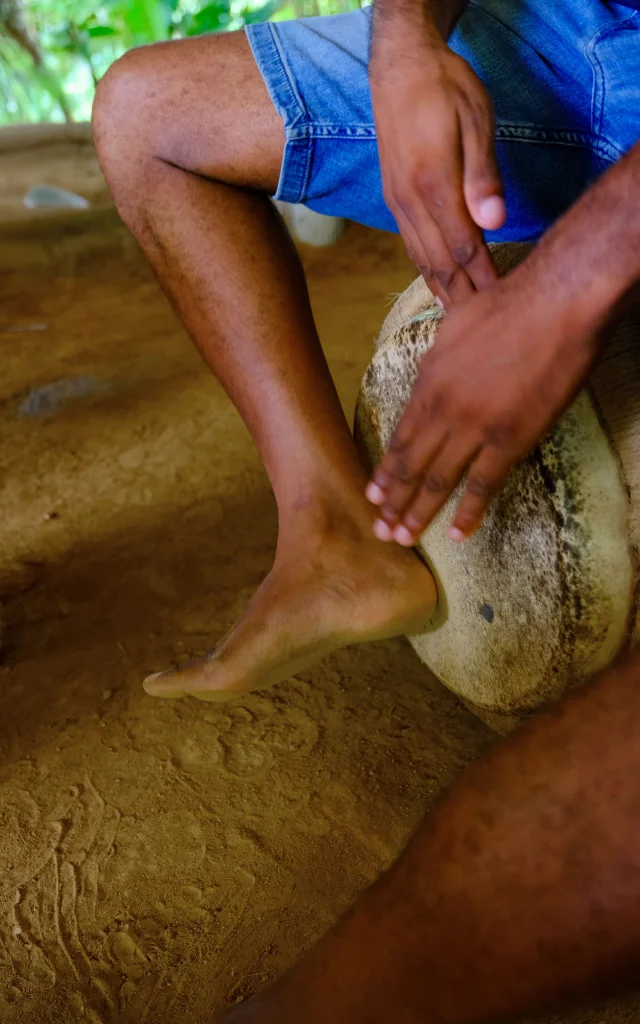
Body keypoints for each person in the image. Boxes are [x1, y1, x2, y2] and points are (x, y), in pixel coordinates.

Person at [92, 0, 640, 1018]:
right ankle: (333, 535)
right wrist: (405, 45)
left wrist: (576, 278)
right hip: (574, 33)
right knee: (146, 114)